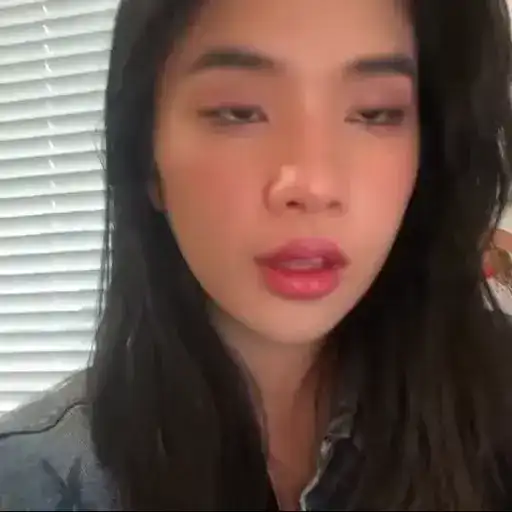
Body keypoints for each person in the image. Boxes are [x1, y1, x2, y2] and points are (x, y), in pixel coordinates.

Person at [1, 0, 512, 510]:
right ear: (148, 160)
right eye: (239, 112)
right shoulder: (34, 481)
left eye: (375, 113)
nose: (312, 185)